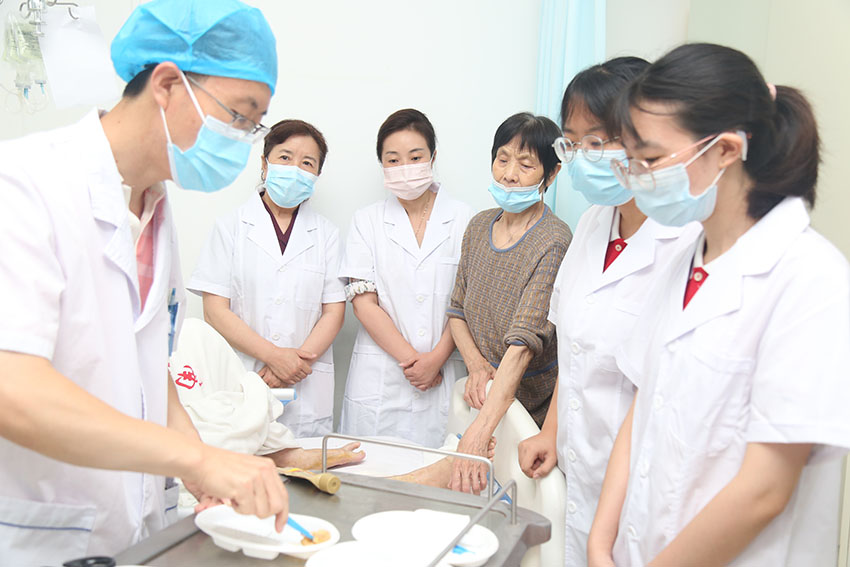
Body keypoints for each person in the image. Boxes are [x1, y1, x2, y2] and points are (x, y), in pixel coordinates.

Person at [0, 1, 288, 563]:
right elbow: (14, 389)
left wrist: (196, 462)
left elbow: (148, 370)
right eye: (239, 115)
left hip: (133, 531)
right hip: (38, 535)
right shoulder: (25, 185)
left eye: (253, 126)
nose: (242, 139)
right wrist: (198, 460)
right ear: (167, 85)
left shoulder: (154, 207)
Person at [587, 43, 850, 567]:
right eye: (631, 161)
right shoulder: (686, 257)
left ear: (726, 149)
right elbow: (644, 403)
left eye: (651, 160)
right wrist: (600, 540)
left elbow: (764, 490)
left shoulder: (810, 278)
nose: (637, 178)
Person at [517, 56, 700, 567]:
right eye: (573, 144)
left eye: (597, 142)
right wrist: (551, 432)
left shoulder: (686, 240)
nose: (582, 158)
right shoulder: (594, 222)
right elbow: (573, 349)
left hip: (645, 486)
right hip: (579, 469)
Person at [189, 119, 344, 438]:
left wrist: (291, 366)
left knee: (306, 462)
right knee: (242, 457)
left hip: (305, 382)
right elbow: (215, 311)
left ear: (317, 174)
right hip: (244, 375)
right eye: (285, 157)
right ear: (264, 163)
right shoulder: (230, 227)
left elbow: (334, 311)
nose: (295, 169)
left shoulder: (326, 234)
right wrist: (274, 358)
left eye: (307, 163)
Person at [447, 112, 572, 494]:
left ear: (551, 174)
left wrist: (480, 430)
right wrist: (476, 365)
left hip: (529, 410)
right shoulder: (478, 226)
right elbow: (457, 310)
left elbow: (522, 345)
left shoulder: (553, 240)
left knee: (520, 500)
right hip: (482, 392)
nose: (509, 175)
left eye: (526, 165)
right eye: (502, 159)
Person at [339, 108, 473, 448]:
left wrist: (435, 360)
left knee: (442, 468)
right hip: (382, 377)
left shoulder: (465, 219)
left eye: (415, 157)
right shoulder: (366, 221)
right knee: (371, 470)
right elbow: (363, 303)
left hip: (444, 371)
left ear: (433, 157)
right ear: (382, 165)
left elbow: (468, 302)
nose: (405, 168)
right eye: (393, 160)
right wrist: (414, 362)